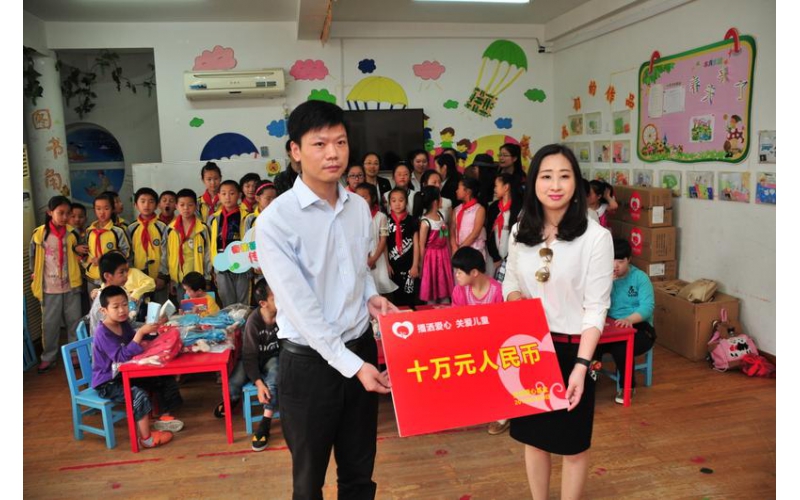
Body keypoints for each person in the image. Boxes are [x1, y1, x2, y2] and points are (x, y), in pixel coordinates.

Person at [255, 100, 397, 500]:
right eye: (319, 144)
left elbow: (358, 269)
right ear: (296, 151)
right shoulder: (276, 221)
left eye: (340, 142)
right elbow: (300, 307)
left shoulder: (359, 207)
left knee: (359, 474)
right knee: (308, 481)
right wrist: (353, 366)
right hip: (309, 365)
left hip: (359, 348)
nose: (333, 153)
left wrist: (371, 298)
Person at [502, 143, 613, 500]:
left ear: (576, 183)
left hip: (573, 350)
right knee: (534, 440)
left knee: (573, 445)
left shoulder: (596, 237)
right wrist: (518, 302)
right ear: (533, 182)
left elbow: (596, 307)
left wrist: (581, 365)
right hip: (530, 348)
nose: (555, 185)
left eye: (564, 176)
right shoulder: (521, 230)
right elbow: (510, 282)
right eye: (546, 176)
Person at [92, 285, 182, 448]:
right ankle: (146, 439)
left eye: (124, 304)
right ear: (103, 310)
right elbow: (120, 356)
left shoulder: (123, 323)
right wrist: (141, 333)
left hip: (125, 373)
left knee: (162, 377)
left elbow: (135, 340)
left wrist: (154, 328)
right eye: (116, 307)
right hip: (108, 382)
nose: (122, 310)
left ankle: (164, 416)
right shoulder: (102, 332)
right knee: (138, 395)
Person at [214, 279, 280, 451]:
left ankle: (265, 423)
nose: (281, 299)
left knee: (274, 379)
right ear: (263, 303)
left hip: (272, 358)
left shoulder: (284, 316)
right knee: (232, 386)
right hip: (252, 359)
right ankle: (233, 399)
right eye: (275, 298)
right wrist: (258, 383)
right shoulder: (253, 321)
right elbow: (249, 356)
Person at [594, 238, 656, 404]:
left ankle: (627, 386)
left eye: (620, 261)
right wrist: (606, 284)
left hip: (640, 327)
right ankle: (591, 377)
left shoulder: (640, 278)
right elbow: (593, 302)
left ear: (629, 259)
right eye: (612, 261)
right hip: (610, 326)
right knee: (591, 342)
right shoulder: (602, 278)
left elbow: (647, 307)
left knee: (622, 347)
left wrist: (629, 319)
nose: (615, 266)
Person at [30, 196, 87, 373]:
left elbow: (81, 254)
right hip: (49, 287)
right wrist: (34, 274)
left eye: (67, 213)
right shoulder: (39, 234)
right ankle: (48, 357)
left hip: (71, 285)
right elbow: (33, 257)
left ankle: (75, 355)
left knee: (74, 322)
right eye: (60, 213)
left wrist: (77, 251)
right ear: (50, 212)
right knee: (50, 324)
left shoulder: (72, 233)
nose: (65, 217)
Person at [160, 189, 212, 304]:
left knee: (201, 309)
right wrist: (171, 279)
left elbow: (208, 254)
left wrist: (207, 278)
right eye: (182, 205)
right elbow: (166, 254)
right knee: (185, 309)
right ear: (176, 206)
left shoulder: (203, 228)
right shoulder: (170, 229)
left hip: (198, 279)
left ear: (195, 206)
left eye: (190, 205)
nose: (186, 208)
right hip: (180, 280)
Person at [88, 251, 156, 336]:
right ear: (107, 276)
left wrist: (147, 326)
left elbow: (128, 325)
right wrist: (143, 330)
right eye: (121, 272)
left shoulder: (118, 292)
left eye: (127, 271)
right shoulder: (103, 302)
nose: (126, 275)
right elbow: (116, 335)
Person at [208, 180, 251, 307]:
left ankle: (243, 320)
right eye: (224, 193)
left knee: (242, 302)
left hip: (242, 264)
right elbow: (211, 244)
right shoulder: (213, 218)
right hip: (221, 264)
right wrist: (212, 267)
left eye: (232, 193)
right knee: (227, 302)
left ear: (239, 195)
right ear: (219, 196)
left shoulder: (247, 217)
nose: (227, 197)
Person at [355, 182, 397, 296]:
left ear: (373, 198)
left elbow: (383, 240)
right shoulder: (354, 217)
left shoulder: (381, 217)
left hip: (378, 256)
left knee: (380, 286)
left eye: (364, 197)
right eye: (357, 197)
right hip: (360, 257)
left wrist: (373, 259)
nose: (360, 200)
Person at [127, 187, 168, 303]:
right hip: (138, 280)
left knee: (159, 308)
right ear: (136, 205)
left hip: (158, 277)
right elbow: (128, 254)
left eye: (151, 201)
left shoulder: (163, 227)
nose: (146, 205)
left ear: (156, 205)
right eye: (142, 201)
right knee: (139, 309)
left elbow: (167, 253)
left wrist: (162, 276)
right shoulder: (131, 228)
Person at [85, 192, 131, 295]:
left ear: (113, 209)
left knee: (111, 301)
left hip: (112, 277)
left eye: (106, 208)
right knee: (94, 302)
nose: (102, 212)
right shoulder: (89, 231)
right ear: (94, 210)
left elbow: (126, 253)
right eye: (98, 209)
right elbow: (87, 251)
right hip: (92, 276)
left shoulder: (118, 231)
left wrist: (104, 260)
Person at [415, 186, 452, 304]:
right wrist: (421, 264)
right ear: (436, 201)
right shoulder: (425, 222)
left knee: (443, 284)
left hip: (443, 255)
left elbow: (445, 236)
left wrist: (449, 253)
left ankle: (445, 305)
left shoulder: (442, 215)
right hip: (430, 257)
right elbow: (421, 245)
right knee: (431, 286)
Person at [386, 187, 420, 308]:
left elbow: (416, 244)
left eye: (401, 200)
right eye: (393, 200)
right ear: (389, 203)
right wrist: (387, 264)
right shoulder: (386, 220)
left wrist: (415, 265)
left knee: (409, 297)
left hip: (409, 266)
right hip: (393, 266)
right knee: (395, 298)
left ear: (406, 202)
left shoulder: (412, 220)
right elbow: (384, 244)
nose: (397, 204)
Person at [486, 173, 523, 279]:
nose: (494, 189)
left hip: (512, 255)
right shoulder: (493, 207)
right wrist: (495, 257)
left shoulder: (519, 208)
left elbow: (519, 235)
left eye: (496, 186)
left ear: (506, 187)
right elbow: (489, 233)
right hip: (493, 255)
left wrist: (508, 257)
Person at [450, 177, 487, 263]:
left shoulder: (479, 209)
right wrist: (454, 246)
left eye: (459, 188)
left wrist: (461, 249)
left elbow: (475, 233)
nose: (456, 191)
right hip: (457, 250)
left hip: (474, 250)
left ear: (468, 191)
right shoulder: (456, 209)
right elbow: (452, 229)